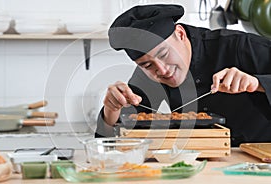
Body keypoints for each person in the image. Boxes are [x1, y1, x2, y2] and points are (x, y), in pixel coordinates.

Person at [95, 4, 271, 147]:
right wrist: (111, 111)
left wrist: (258, 83)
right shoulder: (148, 75)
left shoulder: (241, 46)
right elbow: (114, 142)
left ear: (180, 34)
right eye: (147, 65)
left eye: (164, 54)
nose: (162, 70)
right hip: (201, 163)